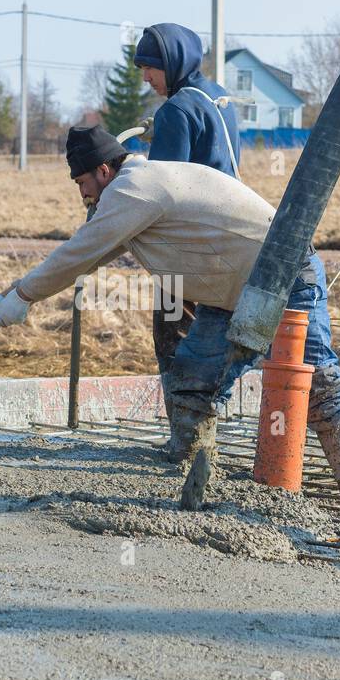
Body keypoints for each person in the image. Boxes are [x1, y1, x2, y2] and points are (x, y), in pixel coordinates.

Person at [0, 125, 340, 508]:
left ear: (103, 170)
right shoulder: (133, 188)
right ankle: (192, 467)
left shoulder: (134, 190)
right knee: (194, 378)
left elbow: (81, 250)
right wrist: (10, 292)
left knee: (318, 379)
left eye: (82, 183)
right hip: (228, 290)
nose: (82, 194)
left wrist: (25, 295)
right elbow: (88, 254)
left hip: (284, 273)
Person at [133, 24, 243, 404]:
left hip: (186, 247)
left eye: (151, 67)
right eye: (142, 68)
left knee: (172, 337)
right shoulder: (216, 96)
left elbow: (159, 191)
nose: (146, 77)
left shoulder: (176, 109)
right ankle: (206, 424)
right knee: (211, 339)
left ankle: (184, 430)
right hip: (228, 237)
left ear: (173, 62)